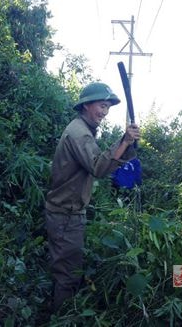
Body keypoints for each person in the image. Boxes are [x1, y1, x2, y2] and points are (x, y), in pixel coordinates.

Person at [45, 82, 141, 312]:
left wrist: (126, 144)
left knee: (67, 272)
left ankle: (62, 313)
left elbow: (104, 163)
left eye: (108, 108)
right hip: (65, 215)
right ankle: (61, 318)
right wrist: (125, 141)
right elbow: (99, 167)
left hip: (67, 213)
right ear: (87, 105)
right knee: (67, 277)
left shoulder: (83, 130)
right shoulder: (79, 133)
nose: (105, 113)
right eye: (102, 106)